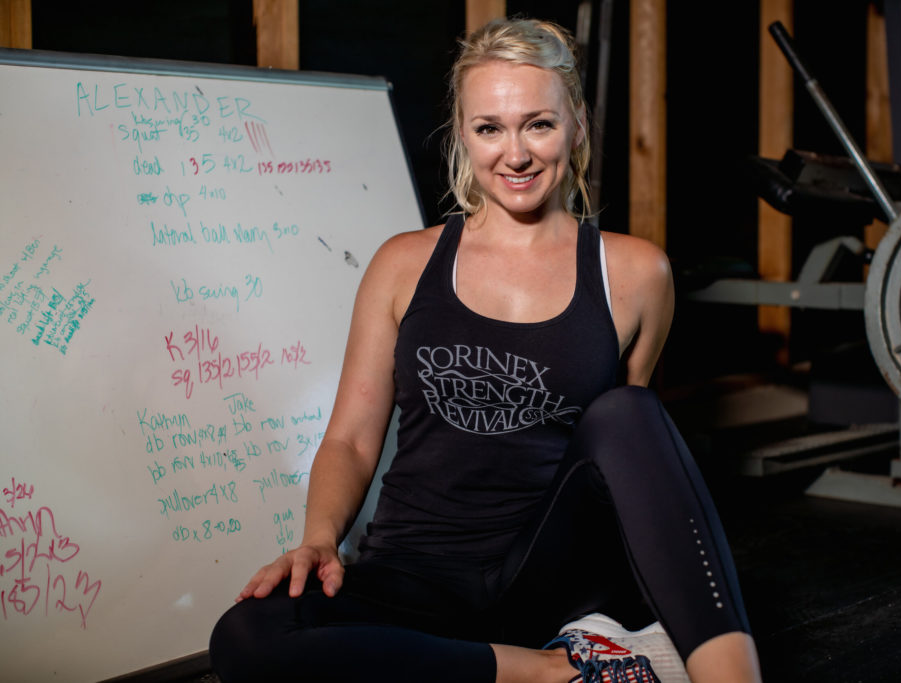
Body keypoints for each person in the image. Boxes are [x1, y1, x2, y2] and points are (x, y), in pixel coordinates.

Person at [210, 17, 761, 683]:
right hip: (410, 575)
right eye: (490, 127)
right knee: (245, 635)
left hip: (550, 578)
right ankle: (555, 672)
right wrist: (321, 539)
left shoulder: (636, 273)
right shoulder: (402, 264)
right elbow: (353, 440)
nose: (516, 153)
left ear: (577, 126)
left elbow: (637, 465)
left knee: (628, 413)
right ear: (463, 135)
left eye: (539, 124)